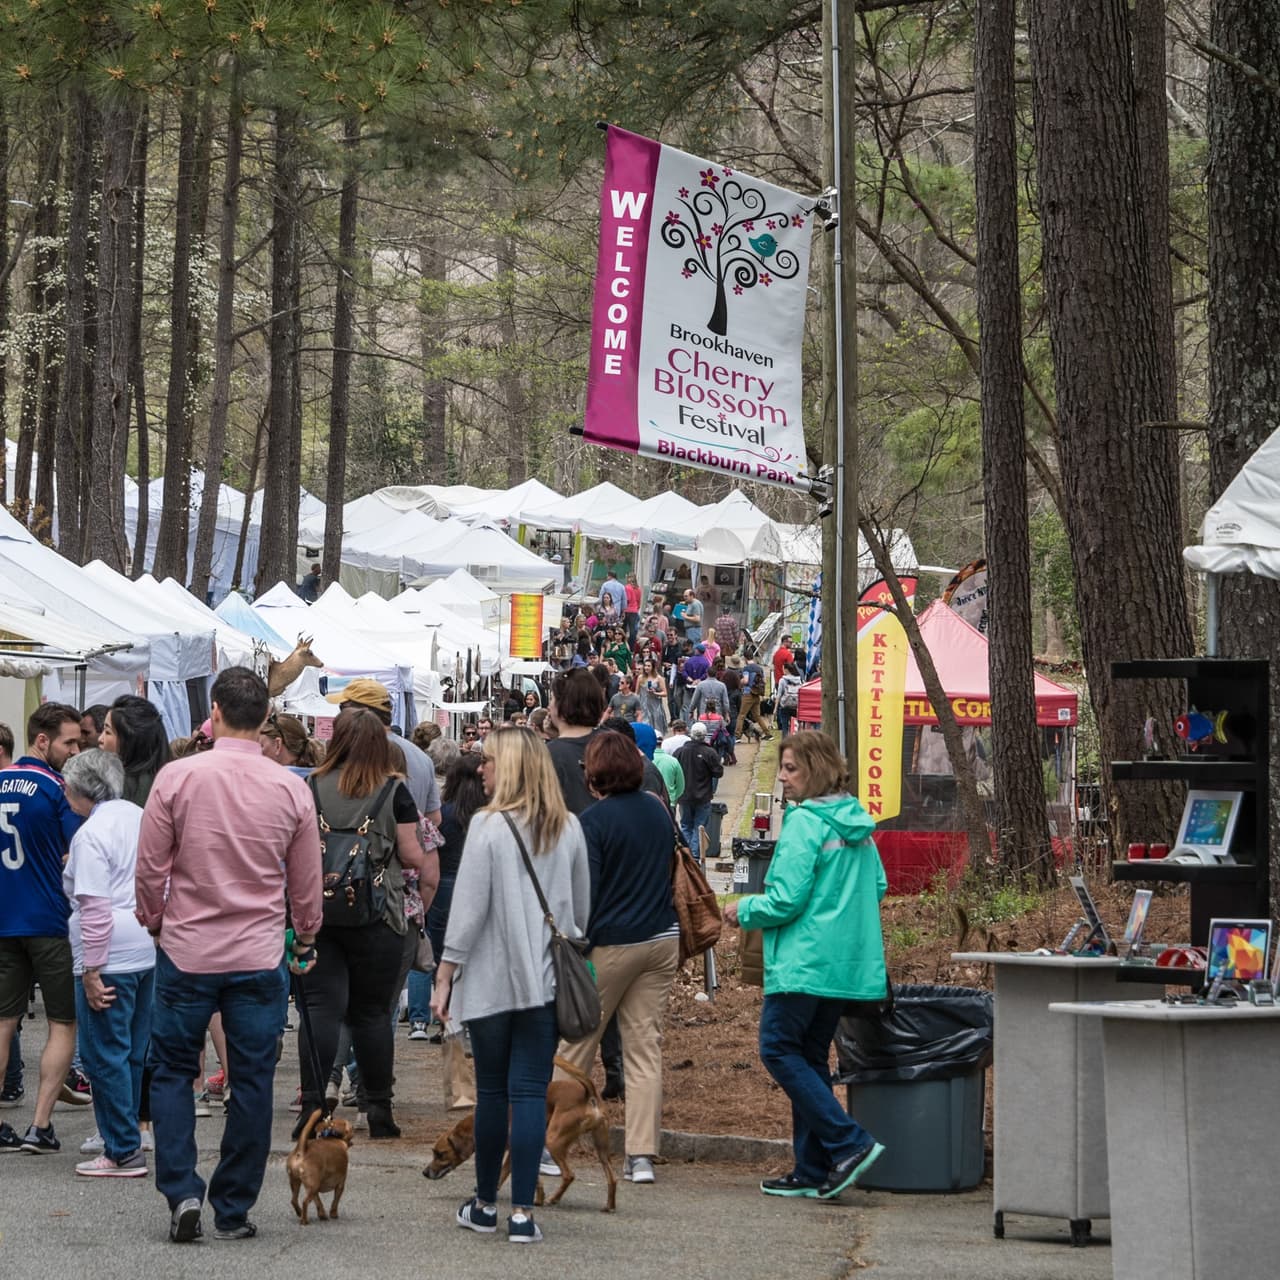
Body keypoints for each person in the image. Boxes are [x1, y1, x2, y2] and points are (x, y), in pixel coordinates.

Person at [136, 666, 323, 1244]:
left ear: (213, 711)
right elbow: (305, 880)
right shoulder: (290, 787)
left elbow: (150, 867)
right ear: (266, 719)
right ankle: (233, 1204)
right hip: (257, 953)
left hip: (189, 950)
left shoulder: (176, 778)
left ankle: (182, 1189)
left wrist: (155, 920)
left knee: (170, 1070)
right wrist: (307, 934)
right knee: (252, 1078)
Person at [432, 727, 591, 1244]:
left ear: (513, 767)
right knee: (528, 1094)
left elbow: (469, 910)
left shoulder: (488, 827)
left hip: (492, 981)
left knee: (493, 1093)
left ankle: (484, 1204)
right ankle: (523, 1212)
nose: (483, 769)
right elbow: (581, 913)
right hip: (546, 981)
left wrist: (446, 973)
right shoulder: (568, 829)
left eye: (491, 761)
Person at [723, 732, 888, 1200]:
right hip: (842, 966)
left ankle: (848, 1143)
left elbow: (785, 901)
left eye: (791, 768)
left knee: (778, 1049)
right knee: (811, 1057)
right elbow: (877, 885)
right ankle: (811, 1167)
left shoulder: (804, 823)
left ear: (814, 770)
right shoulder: (857, 823)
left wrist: (744, 910)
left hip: (802, 962)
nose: (782, 776)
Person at [297, 709, 438, 1138]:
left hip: (319, 913)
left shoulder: (310, 786)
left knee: (319, 1011)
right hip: (379, 913)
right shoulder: (394, 791)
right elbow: (415, 856)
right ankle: (379, 1109)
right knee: (372, 1015)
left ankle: (311, 1106)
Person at [555, 732, 679, 1186]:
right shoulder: (657, 810)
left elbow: (585, 894)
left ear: (594, 774)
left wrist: (575, 943)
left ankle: (554, 1142)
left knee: (575, 1045)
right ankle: (642, 1154)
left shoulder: (594, 821)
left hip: (612, 943)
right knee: (644, 1047)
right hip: (663, 938)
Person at [61, 750, 155, 1178]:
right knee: (133, 1049)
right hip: (145, 946)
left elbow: (95, 908)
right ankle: (128, 1135)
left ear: (82, 790)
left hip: (110, 950)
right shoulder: (138, 816)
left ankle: (121, 1148)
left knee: (105, 1053)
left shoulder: (90, 834)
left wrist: (92, 970)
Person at [0, 703, 83, 1154]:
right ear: (42, 740)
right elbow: (80, 847)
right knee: (62, 1023)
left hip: (3, 919)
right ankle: (40, 1125)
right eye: (69, 742)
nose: (75, 750)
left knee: (3, 1023)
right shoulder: (57, 788)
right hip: (50, 920)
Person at [327, 679, 442, 827]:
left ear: (362, 713)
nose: (339, 716)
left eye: (343, 708)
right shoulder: (422, 758)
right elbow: (434, 818)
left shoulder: (355, 752)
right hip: (411, 844)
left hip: (365, 847)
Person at [546, 669, 606, 816]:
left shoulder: (548, 754)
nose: (549, 706)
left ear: (563, 705)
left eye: (552, 699)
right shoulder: (613, 743)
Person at [101, 695, 172, 807]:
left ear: (129, 740)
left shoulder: (124, 787)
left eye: (107, 732)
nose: (100, 739)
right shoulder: (167, 780)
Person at [672, 722, 723, 857]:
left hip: (684, 796)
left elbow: (674, 771)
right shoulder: (709, 752)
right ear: (704, 735)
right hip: (703, 796)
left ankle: (686, 854)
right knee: (699, 827)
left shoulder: (680, 752)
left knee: (686, 825)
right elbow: (718, 772)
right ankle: (694, 856)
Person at [258, 713, 324, 772]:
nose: (256, 751)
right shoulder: (318, 777)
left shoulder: (275, 782)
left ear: (278, 745)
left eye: (261, 746)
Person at [638, 657, 669, 734]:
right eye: (645, 666)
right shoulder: (640, 677)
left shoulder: (659, 678)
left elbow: (665, 693)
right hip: (644, 705)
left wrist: (655, 693)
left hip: (655, 705)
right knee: (645, 727)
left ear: (653, 667)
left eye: (648, 666)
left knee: (657, 728)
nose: (646, 668)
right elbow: (637, 692)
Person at [775, 663, 803, 737]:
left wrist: (775, 709)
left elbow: (779, 695)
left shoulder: (783, 680)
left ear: (786, 670)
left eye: (783, 668)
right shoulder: (799, 680)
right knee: (797, 727)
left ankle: (785, 743)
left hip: (785, 706)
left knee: (785, 727)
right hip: (796, 706)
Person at [623, 573, 642, 649]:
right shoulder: (638, 589)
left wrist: (623, 609)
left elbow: (627, 599)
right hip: (634, 610)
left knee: (623, 628)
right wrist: (636, 608)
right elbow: (638, 601)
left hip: (627, 610)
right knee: (633, 630)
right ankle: (631, 646)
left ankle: (623, 644)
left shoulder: (627, 587)